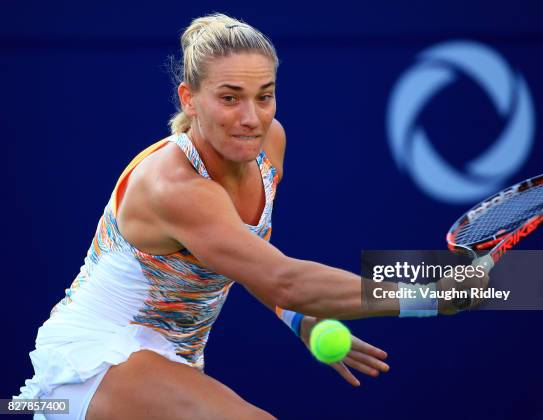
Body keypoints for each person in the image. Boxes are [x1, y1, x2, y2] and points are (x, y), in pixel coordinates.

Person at [16, 13, 488, 420]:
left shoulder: (268, 145)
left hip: (172, 364)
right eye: (229, 97)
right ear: (188, 98)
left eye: (264, 96)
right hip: (95, 361)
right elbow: (284, 280)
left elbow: (256, 265)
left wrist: (298, 320)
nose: (251, 118)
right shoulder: (175, 188)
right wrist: (431, 294)